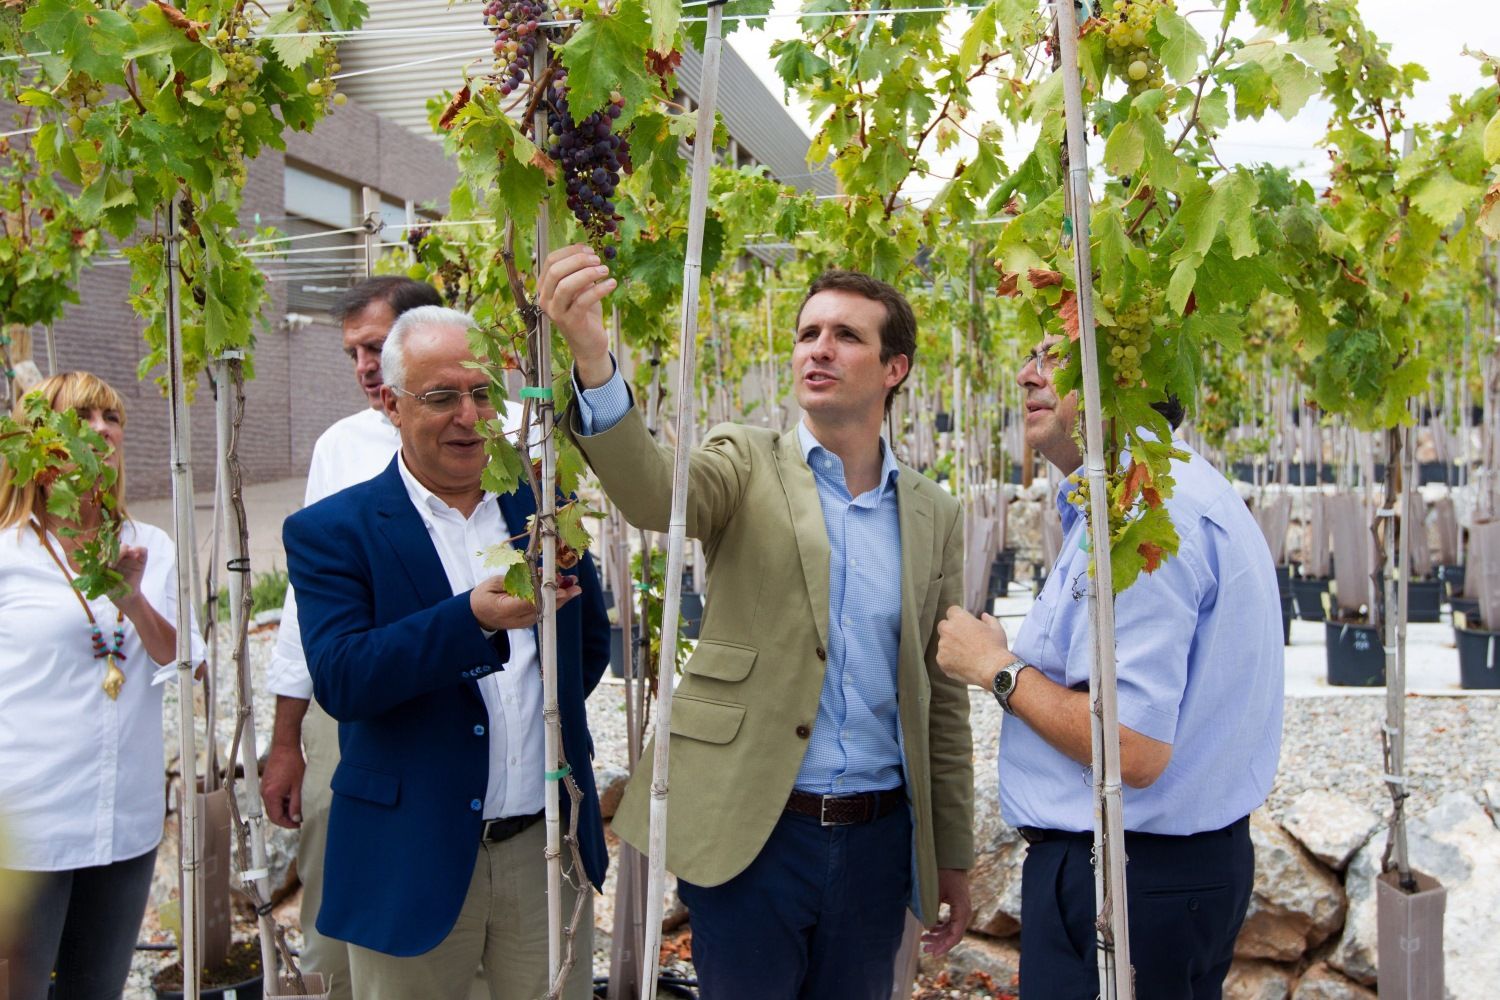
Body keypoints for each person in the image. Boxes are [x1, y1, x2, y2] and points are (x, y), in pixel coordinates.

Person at [539, 246, 975, 999]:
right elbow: (651, 498)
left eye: (846, 335)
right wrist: (592, 356)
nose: (818, 348)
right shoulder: (743, 457)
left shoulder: (934, 511)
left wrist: (955, 857)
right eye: (808, 333)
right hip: (755, 836)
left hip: (878, 842)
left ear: (895, 368)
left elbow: (941, 696)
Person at [935, 334, 1284, 998]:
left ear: (1124, 373)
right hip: (1158, 876)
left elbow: (1133, 747)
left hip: (1124, 880)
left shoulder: (1143, 510)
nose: (1025, 376)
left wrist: (997, 670)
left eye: (1050, 358)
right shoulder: (1160, 490)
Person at [282, 306, 610, 1000]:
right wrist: (470, 619)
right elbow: (342, 679)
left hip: (544, 849)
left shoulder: (544, 509)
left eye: (483, 393)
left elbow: (584, 651)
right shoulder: (333, 532)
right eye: (441, 398)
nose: (470, 415)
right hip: (410, 858)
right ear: (392, 406)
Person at [260, 276, 441, 1000]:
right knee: (337, 864)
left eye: (376, 348)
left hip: (459, 691)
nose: (365, 367)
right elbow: (306, 605)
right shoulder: (341, 447)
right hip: (353, 706)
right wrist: (285, 741)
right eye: (353, 354)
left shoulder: (501, 435)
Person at [0, 372, 205, 999]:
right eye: (81, 418)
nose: (101, 431)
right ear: (41, 443)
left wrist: (134, 600)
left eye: (111, 419)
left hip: (124, 819)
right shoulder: (9, 552)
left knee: (97, 989)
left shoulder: (152, 545)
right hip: (28, 820)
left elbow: (187, 663)